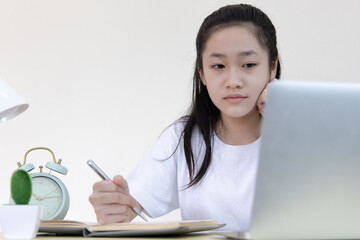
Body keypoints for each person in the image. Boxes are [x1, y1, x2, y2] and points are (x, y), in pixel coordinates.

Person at [89, 3, 281, 231]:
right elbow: (128, 209)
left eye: (248, 64)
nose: (233, 81)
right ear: (202, 73)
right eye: (218, 65)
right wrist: (114, 208)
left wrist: (291, 122)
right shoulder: (184, 137)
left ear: (272, 66)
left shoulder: (303, 134)